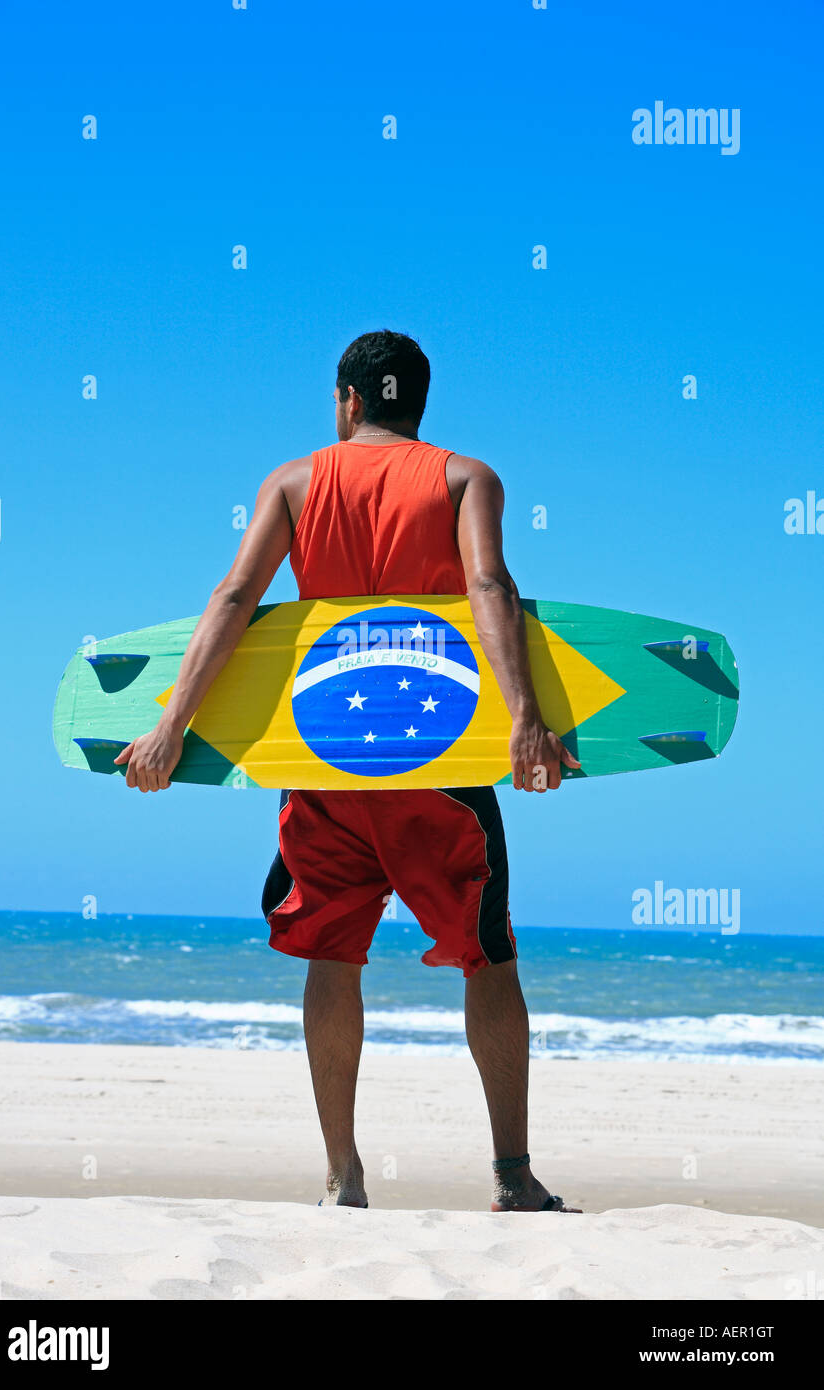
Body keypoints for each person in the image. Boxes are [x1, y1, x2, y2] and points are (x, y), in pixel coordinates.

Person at [115, 330, 582, 1214]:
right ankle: (513, 1178)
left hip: (325, 767)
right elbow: (490, 587)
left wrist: (171, 725)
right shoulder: (464, 477)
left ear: (348, 401)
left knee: (332, 957)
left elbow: (235, 600)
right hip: (438, 768)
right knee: (490, 959)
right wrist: (525, 718)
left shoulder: (293, 483)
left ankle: (344, 1176)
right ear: (418, 406)